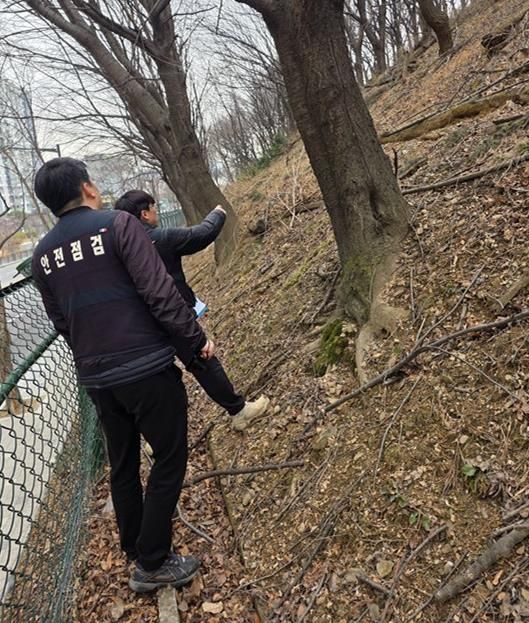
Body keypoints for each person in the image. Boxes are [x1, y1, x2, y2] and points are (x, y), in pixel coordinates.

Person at [31, 158, 210, 594]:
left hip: (97, 378)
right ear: (88, 188)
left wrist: (95, 355)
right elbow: (159, 292)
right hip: (145, 367)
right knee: (169, 458)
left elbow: (61, 322)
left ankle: (135, 545)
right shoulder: (118, 225)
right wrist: (195, 339)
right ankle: (152, 561)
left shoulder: (41, 256)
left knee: (123, 463)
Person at [114, 190, 269, 432]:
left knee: (159, 379)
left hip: (139, 326)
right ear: (144, 214)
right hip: (173, 316)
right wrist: (217, 213)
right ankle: (239, 411)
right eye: (153, 208)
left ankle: (159, 438)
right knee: (203, 362)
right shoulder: (159, 238)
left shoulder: (116, 250)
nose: (156, 213)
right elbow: (202, 235)